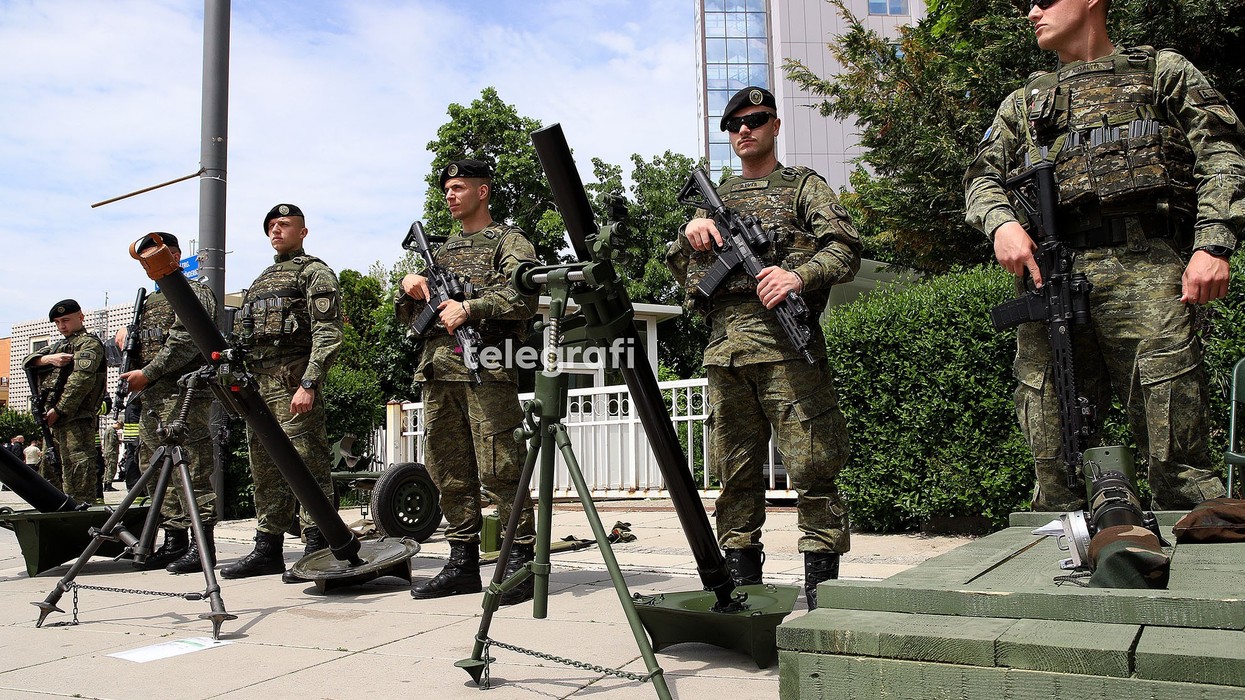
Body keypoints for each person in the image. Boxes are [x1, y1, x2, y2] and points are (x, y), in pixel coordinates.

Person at [963, 0, 1242, 511]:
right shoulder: (1023, 103)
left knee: (1175, 449)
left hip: (1147, 266)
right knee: (1056, 448)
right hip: (1052, 276)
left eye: (1045, 0)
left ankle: (1203, 575)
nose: (1031, 12)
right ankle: (1065, 561)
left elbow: (1221, 153)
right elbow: (981, 177)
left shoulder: (1163, 72)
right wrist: (1001, 222)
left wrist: (1213, 243)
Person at [666, 86, 862, 609]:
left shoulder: (804, 187)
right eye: (734, 125)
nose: (744, 130)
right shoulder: (716, 199)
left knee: (814, 469)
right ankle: (742, 592)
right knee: (735, 475)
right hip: (726, 353)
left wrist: (797, 276)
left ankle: (822, 592)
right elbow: (683, 277)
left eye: (755, 120)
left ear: (776, 125)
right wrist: (691, 235)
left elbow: (845, 248)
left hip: (787, 350)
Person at [397, 158, 538, 603]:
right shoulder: (439, 253)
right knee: (447, 469)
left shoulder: (509, 241)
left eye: (458, 187)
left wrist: (471, 309)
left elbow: (525, 295)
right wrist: (408, 288)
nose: (450, 195)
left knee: (501, 466)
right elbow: (409, 321)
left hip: (488, 367)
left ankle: (520, 558)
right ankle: (461, 561)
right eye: (446, 189)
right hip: (439, 370)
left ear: (483, 191)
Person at [220, 204, 342, 582]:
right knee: (265, 468)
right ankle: (267, 547)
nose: (276, 229)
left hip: (293, 381)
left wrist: (310, 381)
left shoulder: (314, 273)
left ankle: (317, 544)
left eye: (285, 224)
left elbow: (328, 332)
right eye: (271, 225)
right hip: (258, 386)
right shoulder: (261, 280)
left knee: (308, 464)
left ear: (303, 232)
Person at [116, 233, 219, 573]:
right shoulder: (147, 304)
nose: (150, 266)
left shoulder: (193, 291)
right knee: (158, 469)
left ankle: (202, 546)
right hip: (152, 398)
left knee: (192, 467)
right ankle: (174, 541)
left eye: (155, 257)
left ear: (174, 255)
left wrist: (148, 372)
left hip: (184, 393)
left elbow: (186, 339)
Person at [22, 300, 108, 503]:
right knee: (50, 478)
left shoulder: (89, 343)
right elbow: (27, 360)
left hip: (76, 419)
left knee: (77, 477)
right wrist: (47, 360)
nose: (62, 326)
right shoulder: (59, 346)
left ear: (81, 317)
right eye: (58, 322)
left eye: (66, 320)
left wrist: (59, 410)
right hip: (54, 421)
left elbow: (81, 381)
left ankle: (81, 526)